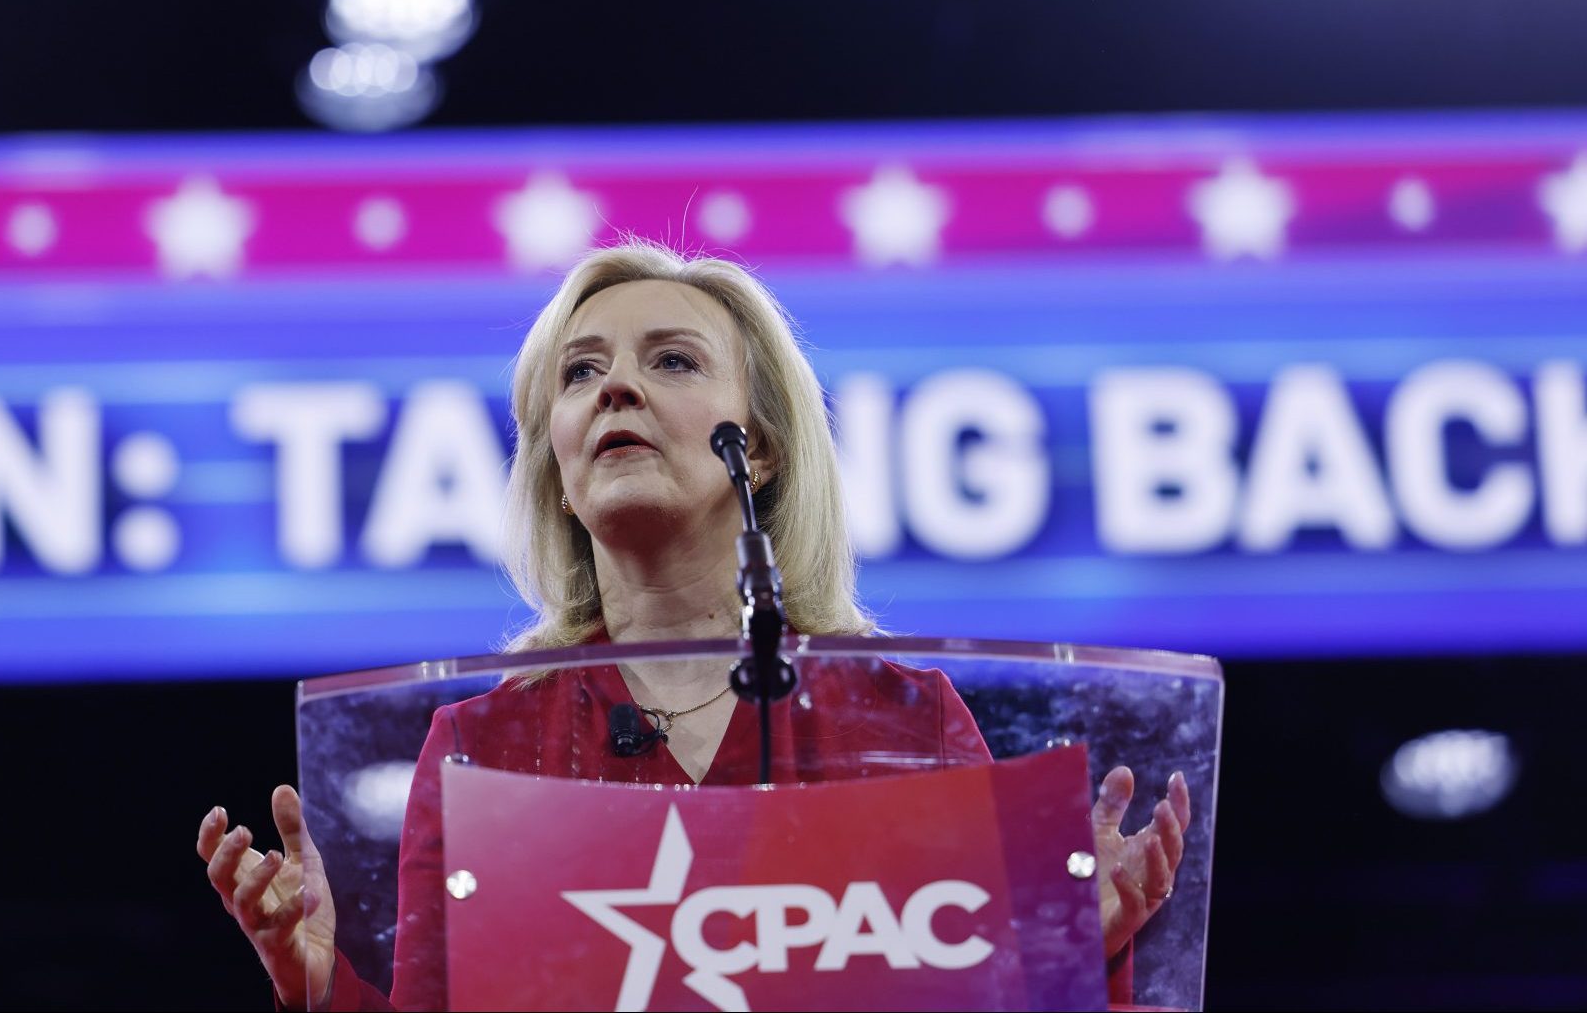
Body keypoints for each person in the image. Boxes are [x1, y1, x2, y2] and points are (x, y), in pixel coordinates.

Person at [197, 240, 1192, 1010]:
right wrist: (319, 985)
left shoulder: (907, 721)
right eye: (580, 375)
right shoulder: (485, 748)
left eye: (671, 360)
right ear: (560, 467)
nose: (616, 387)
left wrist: (1083, 953)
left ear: (754, 452)